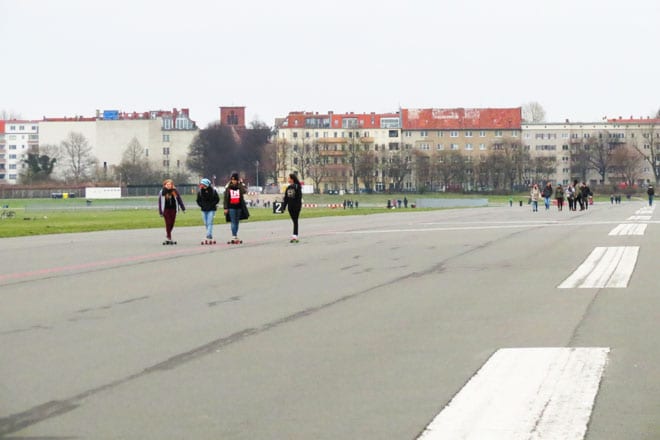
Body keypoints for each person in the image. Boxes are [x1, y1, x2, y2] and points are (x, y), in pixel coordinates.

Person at [158, 179, 185, 244]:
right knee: (168, 223)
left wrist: (183, 208)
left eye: (170, 184)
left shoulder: (174, 191)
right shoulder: (162, 192)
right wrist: (160, 211)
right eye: (167, 184)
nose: (169, 185)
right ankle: (169, 236)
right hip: (166, 209)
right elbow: (160, 202)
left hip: (173, 209)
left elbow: (179, 199)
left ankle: (168, 234)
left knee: (172, 223)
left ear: (172, 185)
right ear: (165, 185)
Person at [223, 172, 247, 243]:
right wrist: (225, 208)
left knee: (237, 222)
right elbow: (226, 198)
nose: (233, 181)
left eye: (235, 180)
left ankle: (235, 235)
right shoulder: (228, 188)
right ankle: (234, 235)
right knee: (233, 221)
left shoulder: (239, 187)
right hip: (231, 207)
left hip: (239, 206)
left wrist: (240, 184)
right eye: (232, 180)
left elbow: (244, 191)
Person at [196, 177, 220, 242]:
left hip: (211, 209)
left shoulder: (213, 191)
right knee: (206, 223)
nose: (201, 185)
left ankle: (208, 235)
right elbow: (198, 200)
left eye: (203, 184)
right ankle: (209, 234)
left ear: (206, 184)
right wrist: (201, 205)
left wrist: (213, 204)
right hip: (204, 209)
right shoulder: (200, 192)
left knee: (210, 222)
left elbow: (217, 199)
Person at [281, 173, 303, 242]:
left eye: (289, 178)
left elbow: (299, 197)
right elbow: (286, 198)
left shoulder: (297, 187)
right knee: (294, 221)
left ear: (292, 179)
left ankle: (295, 236)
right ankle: (295, 235)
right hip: (290, 207)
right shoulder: (288, 187)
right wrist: (284, 207)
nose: (288, 179)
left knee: (295, 221)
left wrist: (298, 206)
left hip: (296, 206)